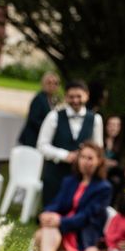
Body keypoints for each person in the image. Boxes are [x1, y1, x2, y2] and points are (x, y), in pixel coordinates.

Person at [32, 141, 112, 251]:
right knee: (44, 232)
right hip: (61, 228)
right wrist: (47, 213)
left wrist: (60, 221)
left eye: (90, 158)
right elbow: (57, 203)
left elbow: (86, 217)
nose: (85, 161)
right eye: (82, 157)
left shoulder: (104, 188)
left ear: (99, 161)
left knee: (41, 235)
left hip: (81, 232)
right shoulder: (70, 181)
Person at [37, 79, 103, 207]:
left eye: (79, 96)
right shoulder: (54, 116)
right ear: (66, 97)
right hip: (55, 173)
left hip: (82, 176)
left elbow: (98, 148)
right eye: (71, 97)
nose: (75, 100)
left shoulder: (96, 119)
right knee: (51, 209)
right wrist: (65, 155)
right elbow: (41, 145)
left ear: (87, 95)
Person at [18, 71, 60, 147]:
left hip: (40, 139)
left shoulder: (52, 99)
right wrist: (49, 128)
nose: (52, 85)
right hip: (31, 139)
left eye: (55, 83)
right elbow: (33, 119)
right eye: (49, 83)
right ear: (43, 84)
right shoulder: (39, 99)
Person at [103, 115, 125, 204]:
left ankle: (115, 203)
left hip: (111, 173)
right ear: (106, 126)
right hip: (99, 170)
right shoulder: (99, 139)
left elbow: (119, 162)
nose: (114, 128)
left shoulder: (119, 143)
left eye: (117, 125)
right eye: (112, 125)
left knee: (121, 177)